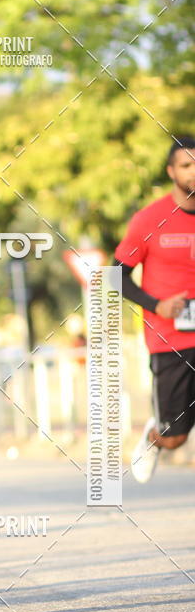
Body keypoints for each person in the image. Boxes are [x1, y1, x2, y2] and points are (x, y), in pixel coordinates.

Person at [115, 135, 195, 482]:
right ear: (171, 171)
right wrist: (158, 305)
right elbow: (115, 277)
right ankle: (154, 438)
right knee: (175, 437)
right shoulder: (150, 220)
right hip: (171, 340)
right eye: (187, 165)